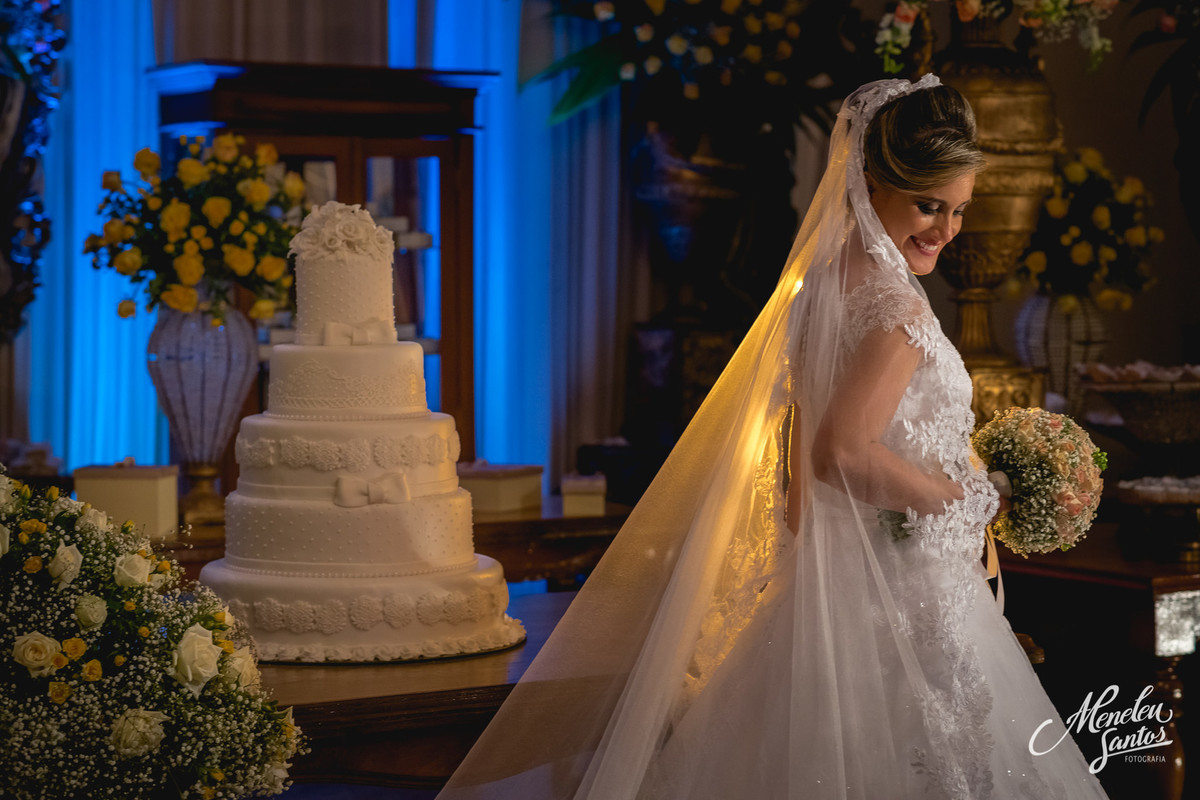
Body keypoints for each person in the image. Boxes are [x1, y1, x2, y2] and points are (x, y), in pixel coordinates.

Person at [437, 76, 1111, 799]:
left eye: (959, 210)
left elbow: (800, 462)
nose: (945, 231)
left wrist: (799, 567)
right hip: (903, 594)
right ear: (872, 180)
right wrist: (966, 496)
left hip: (839, 579)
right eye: (927, 204)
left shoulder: (820, 284)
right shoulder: (896, 313)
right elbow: (840, 453)